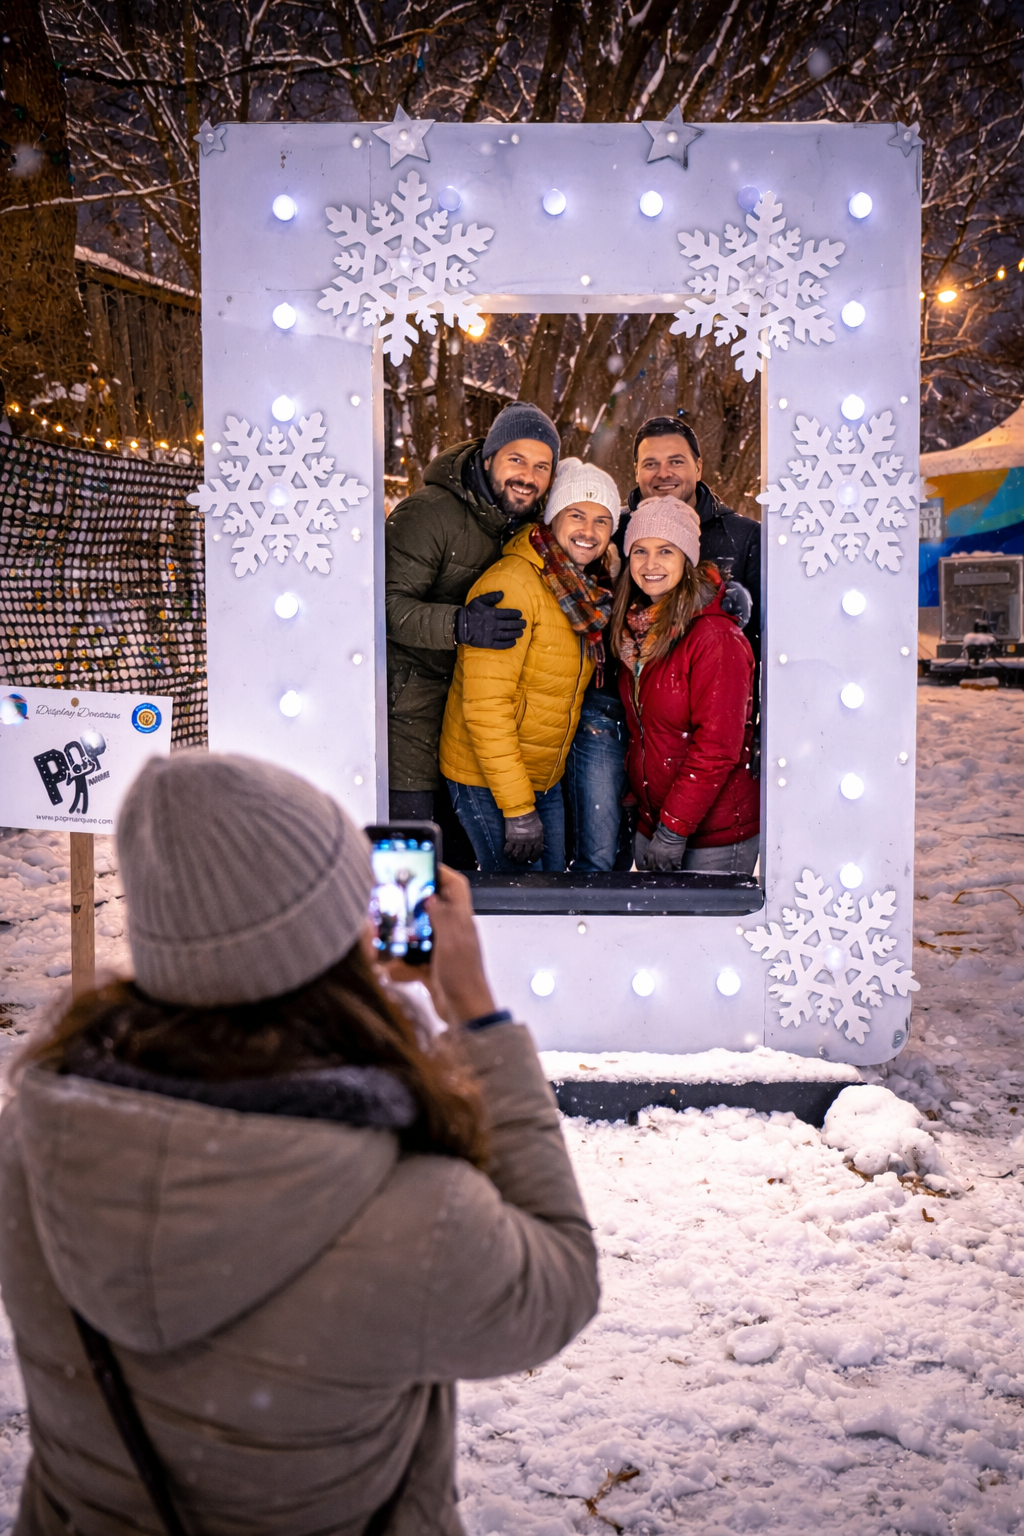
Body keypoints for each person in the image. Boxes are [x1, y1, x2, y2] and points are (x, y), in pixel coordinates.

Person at [0, 752, 598, 1536]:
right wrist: (477, 1017)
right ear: (325, 948)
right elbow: (559, 1284)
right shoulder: (415, 1217)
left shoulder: (33, 1144)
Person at [565, 413, 759, 873]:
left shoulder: (739, 551)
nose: (663, 473)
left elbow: (716, 742)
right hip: (653, 805)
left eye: (676, 460)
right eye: (650, 463)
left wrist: (673, 827)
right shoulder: (631, 616)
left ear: (699, 465)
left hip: (709, 814)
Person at [440, 458, 620, 873]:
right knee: (523, 908)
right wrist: (518, 808)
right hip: (488, 778)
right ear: (553, 517)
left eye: (602, 521)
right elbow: (486, 708)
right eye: (576, 515)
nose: (588, 532)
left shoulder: (583, 591)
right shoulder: (513, 585)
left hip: (540, 776)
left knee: (549, 899)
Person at [385, 401, 561, 824]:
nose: (528, 477)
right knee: (416, 853)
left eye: (541, 467)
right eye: (516, 459)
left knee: (469, 870)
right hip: (414, 716)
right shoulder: (429, 513)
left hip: (474, 726)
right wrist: (458, 624)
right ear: (488, 458)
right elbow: (385, 607)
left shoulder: (528, 528)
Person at [614, 497, 760, 874]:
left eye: (666, 550)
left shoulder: (715, 638)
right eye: (640, 551)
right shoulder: (638, 631)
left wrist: (673, 830)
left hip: (713, 836)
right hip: (654, 825)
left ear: (687, 560)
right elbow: (645, 732)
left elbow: (716, 748)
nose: (650, 565)